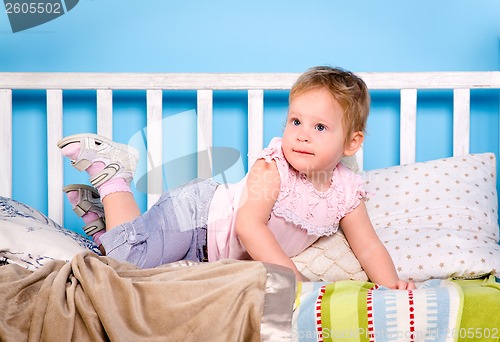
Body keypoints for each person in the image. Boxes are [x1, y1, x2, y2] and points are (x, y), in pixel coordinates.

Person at [58, 66, 415, 289]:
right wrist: (296, 282)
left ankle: (107, 226)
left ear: (352, 143)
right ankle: (114, 179)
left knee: (146, 273)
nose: (302, 134)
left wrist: (392, 284)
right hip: (195, 217)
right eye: (296, 121)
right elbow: (249, 227)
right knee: (120, 269)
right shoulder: (273, 167)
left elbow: (367, 245)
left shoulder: (347, 191)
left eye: (320, 126)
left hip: (209, 254)